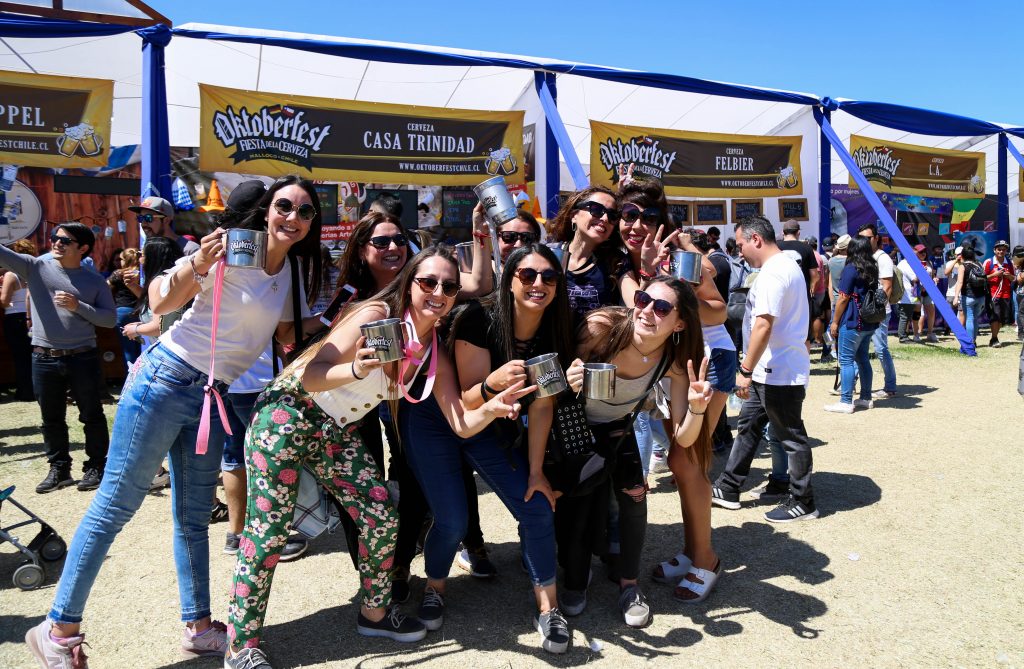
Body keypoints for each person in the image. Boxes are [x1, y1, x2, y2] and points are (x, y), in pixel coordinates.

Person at [24, 175, 325, 667]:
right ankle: (57, 629)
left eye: (306, 212)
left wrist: (352, 315)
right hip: (167, 380)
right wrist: (200, 261)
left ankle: (199, 627)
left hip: (212, 397)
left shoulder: (289, 271)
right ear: (267, 211)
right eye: (284, 206)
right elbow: (161, 302)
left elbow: (288, 332)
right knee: (114, 507)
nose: (293, 217)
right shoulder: (230, 251)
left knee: (191, 518)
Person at [224, 245, 532, 667]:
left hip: (336, 431)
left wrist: (491, 408)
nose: (438, 291)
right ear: (410, 284)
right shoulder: (373, 317)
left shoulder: (434, 349)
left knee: (380, 513)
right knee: (269, 533)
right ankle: (241, 647)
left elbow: (460, 422)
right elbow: (312, 373)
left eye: (448, 286)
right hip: (287, 416)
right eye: (428, 282)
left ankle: (374, 612)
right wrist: (357, 369)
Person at [561, 278, 712, 620]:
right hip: (574, 427)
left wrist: (697, 408)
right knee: (580, 502)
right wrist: (569, 378)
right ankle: (573, 582)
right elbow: (552, 380)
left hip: (618, 427)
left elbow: (684, 440)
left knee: (635, 494)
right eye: (643, 299)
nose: (646, 311)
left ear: (679, 323)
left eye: (661, 308)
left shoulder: (673, 361)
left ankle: (630, 586)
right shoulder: (602, 328)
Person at [712, 215, 817, 522]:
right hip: (771, 368)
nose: (739, 251)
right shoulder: (784, 267)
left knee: (791, 435)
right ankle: (729, 487)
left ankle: (804, 501)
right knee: (748, 426)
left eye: (741, 244)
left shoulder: (773, 273)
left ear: (756, 239)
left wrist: (744, 369)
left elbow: (762, 325)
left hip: (777, 370)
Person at [0, 223, 115, 494]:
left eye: (65, 240)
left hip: (82, 356)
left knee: (92, 415)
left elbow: (109, 319)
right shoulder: (36, 266)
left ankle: (96, 466)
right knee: (50, 418)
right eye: (55, 237)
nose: (56, 243)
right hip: (43, 356)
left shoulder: (93, 280)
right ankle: (59, 468)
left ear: (83, 248)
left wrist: (79, 306)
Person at [549, 185, 621, 323]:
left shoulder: (616, 262)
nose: (605, 218)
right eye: (596, 210)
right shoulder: (549, 254)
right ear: (573, 215)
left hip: (593, 343)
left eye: (612, 215)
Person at [824, 236, 879, 413]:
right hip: (868, 321)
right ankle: (865, 397)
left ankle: (846, 401)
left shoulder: (851, 268)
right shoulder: (872, 267)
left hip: (852, 319)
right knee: (863, 359)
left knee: (846, 359)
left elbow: (843, 297)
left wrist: (834, 322)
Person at [857, 223, 897, 399]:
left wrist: (878, 311)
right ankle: (850, 383)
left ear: (876, 238)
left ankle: (890, 386)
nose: (864, 241)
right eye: (860, 238)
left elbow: (887, 287)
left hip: (878, 312)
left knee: (881, 349)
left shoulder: (882, 258)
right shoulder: (865, 257)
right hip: (865, 311)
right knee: (860, 349)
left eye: (867, 238)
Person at [1, 238, 37, 401]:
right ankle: (36, 389)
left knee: (21, 357)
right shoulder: (34, 269)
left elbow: (4, 301)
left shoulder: (11, 274)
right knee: (34, 355)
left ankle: (26, 391)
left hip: (15, 317)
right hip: (33, 317)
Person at [129, 195, 200, 255]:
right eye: (141, 218)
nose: (143, 223)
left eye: (148, 218)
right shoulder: (149, 250)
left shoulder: (190, 250)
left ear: (166, 220)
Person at [108, 247, 143, 366]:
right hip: (140, 313)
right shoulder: (141, 273)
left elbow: (105, 288)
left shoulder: (119, 273)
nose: (120, 262)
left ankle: (131, 376)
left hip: (122, 312)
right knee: (141, 347)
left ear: (126, 260)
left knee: (128, 349)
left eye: (121, 259)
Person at [953, 245, 987, 345]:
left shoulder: (962, 266)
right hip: (981, 296)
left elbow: (959, 282)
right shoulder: (979, 264)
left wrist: (956, 297)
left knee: (970, 319)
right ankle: (974, 340)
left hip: (968, 296)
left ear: (962, 255)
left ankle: (970, 342)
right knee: (975, 318)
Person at [984, 240, 1013, 348]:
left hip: (1005, 295)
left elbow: (1014, 278)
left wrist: (1008, 275)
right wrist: (995, 274)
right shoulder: (988, 262)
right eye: (999, 249)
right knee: (995, 317)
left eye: (1003, 249)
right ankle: (995, 338)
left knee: (1001, 319)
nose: (1001, 251)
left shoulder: (1009, 263)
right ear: (994, 250)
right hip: (993, 294)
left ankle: (993, 338)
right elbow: (982, 278)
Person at [896, 247, 922, 343]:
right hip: (906, 295)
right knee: (904, 316)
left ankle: (904, 335)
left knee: (906, 315)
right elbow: (915, 278)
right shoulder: (906, 265)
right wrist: (923, 272)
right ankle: (902, 337)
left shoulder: (903, 264)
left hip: (906, 295)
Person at [914, 244, 939, 343]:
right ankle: (917, 334)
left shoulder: (929, 263)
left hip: (928, 291)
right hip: (917, 290)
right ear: (915, 252)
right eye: (920, 252)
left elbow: (932, 275)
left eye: (924, 251)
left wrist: (934, 279)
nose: (923, 253)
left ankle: (930, 333)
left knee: (931, 310)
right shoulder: (912, 263)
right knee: (918, 312)